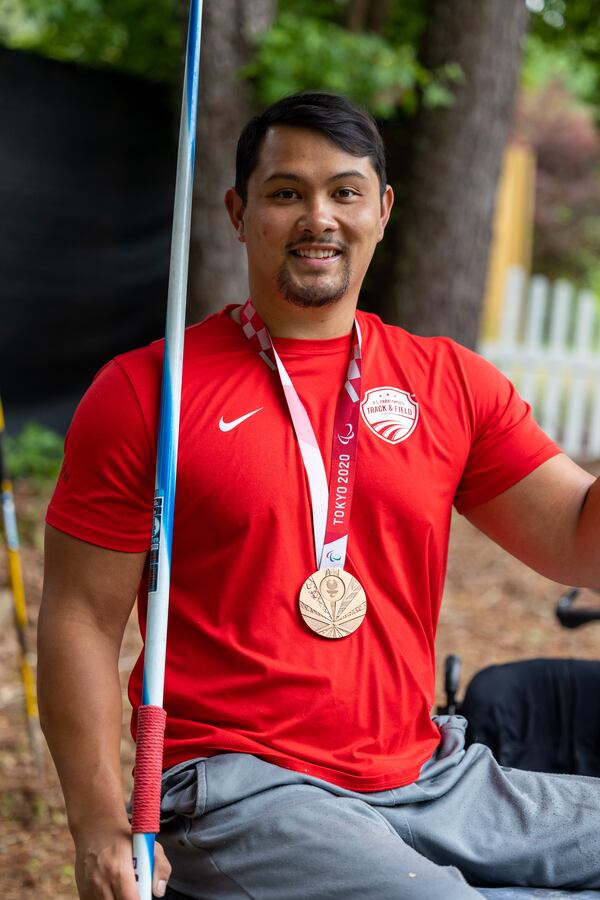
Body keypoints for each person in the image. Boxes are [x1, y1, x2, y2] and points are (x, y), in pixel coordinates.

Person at [38, 92, 600, 900]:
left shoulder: (451, 383)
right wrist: (96, 824)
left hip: (430, 775)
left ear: (383, 209)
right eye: (285, 192)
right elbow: (81, 619)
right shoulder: (146, 393)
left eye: (343, 191)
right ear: (238, 212)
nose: (318, 217)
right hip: (243, 789)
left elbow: (580, 540)